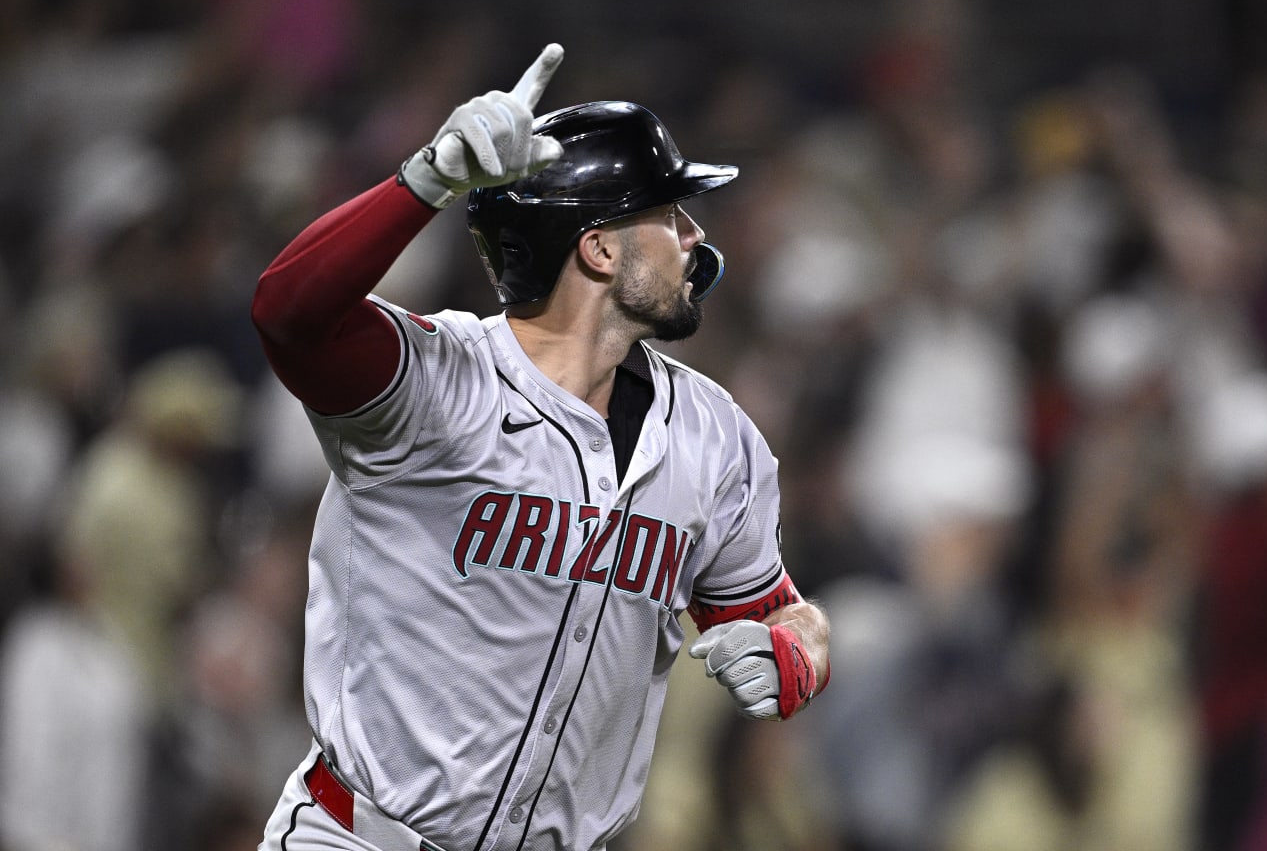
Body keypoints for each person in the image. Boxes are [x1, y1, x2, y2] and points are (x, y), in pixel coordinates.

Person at [250, 43, 831, 851]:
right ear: (598, 249)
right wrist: (425, 183)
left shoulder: (716, 434)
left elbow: (776, 615)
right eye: (668, 213)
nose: (695, 235)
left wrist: (798, 655)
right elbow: (287, 313)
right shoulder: (440, 380)